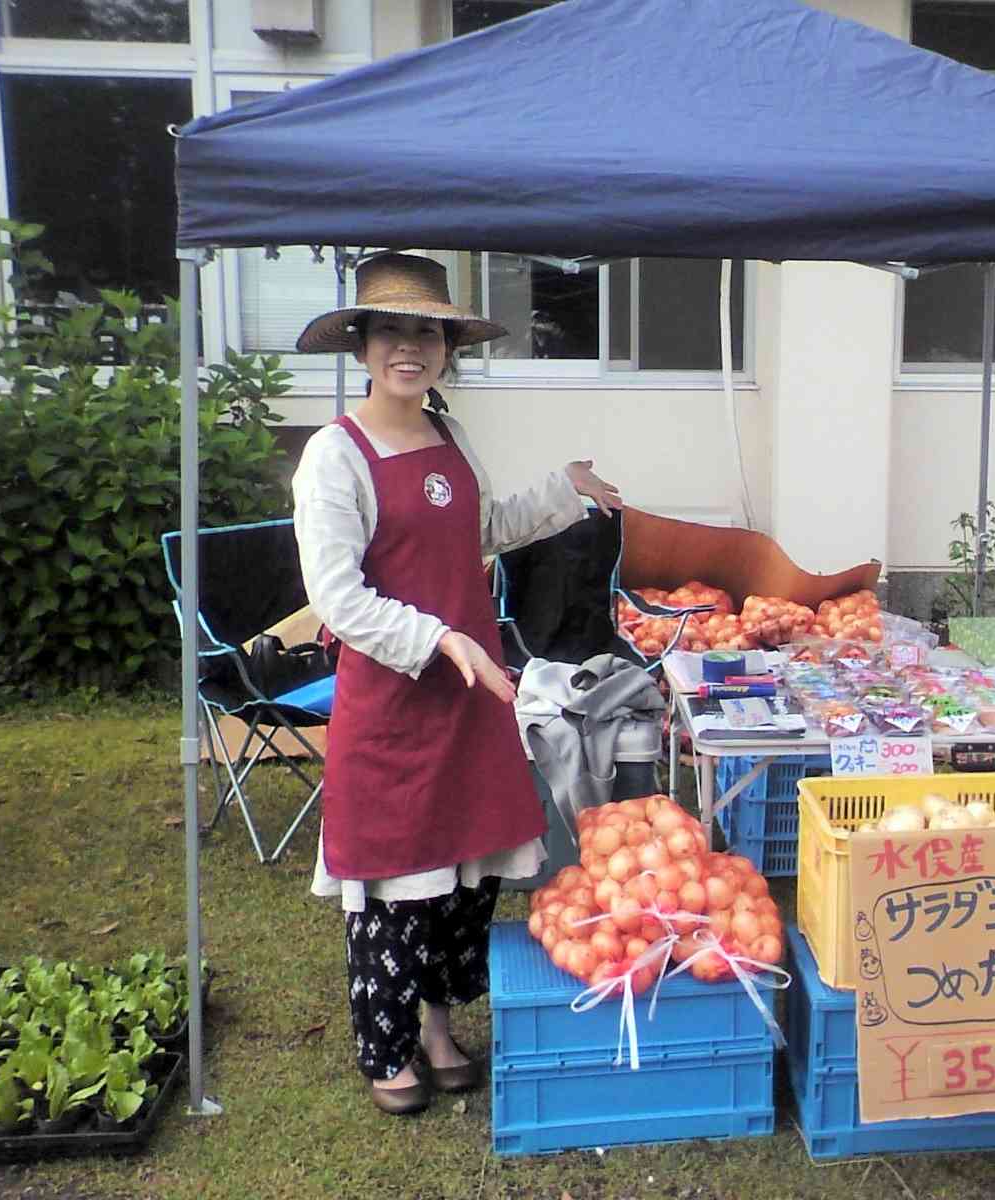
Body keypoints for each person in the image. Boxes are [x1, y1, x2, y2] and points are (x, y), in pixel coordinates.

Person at [290, 252, 622, 1116]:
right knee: (398, 875)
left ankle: (437, 1027)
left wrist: (565, 493)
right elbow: (338, 597)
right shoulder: (336, 454)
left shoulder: (445, 432)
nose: (412, 347)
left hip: (472, 698)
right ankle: (386, 1045)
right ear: (361, 345)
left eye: (428, 331)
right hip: (396, 701)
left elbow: (480, 532)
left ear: (446, 347)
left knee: (463, 877)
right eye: (393, 330)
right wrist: (438, 639)